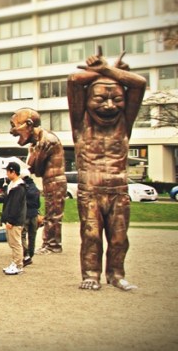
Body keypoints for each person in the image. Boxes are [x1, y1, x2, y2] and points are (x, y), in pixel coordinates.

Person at [67, 52, 146, 291]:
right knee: (91, 236)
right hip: (90, 189)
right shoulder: (81, 124)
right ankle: (91, 274)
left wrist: (107, 71)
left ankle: (116, 274)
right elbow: (73, 81)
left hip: (118, 189)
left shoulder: (124, 123)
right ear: (87, 100)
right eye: (100, 98)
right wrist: (105, 70)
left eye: (117, 99)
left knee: (119, 238)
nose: (109, 105)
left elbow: (139, 83)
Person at [9, 108, 66, 254]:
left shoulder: (47, 140)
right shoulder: (38, 143)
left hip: (55, 181)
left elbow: (36, 169)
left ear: (28, 124)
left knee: (54, 214)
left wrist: (33, 153)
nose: (12, 131)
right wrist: (32, 151)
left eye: (15, 126)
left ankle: (53, 245)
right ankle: (48, 243)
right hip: (50, 181)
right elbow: (32, 166)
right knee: (50, 213)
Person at [0, 162, 27, 275]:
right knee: (12, 243)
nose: (6, 173)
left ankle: (18, 265)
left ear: (12, 171)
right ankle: (15, 263)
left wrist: (11, 220)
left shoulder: (19, 187)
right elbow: (5, 198)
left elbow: (15, 206)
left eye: (7, 171)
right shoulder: (12, 185)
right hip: (12, 219)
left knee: (16, 243)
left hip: (15, 220)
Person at [22, 175, 41, 267]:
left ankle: (25, 254)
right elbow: (38, 204)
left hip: (25, 214)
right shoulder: (35, 188)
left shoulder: (22, 187)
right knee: (32, 235)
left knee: (22, 235)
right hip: (34, 214)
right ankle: (31, 252)